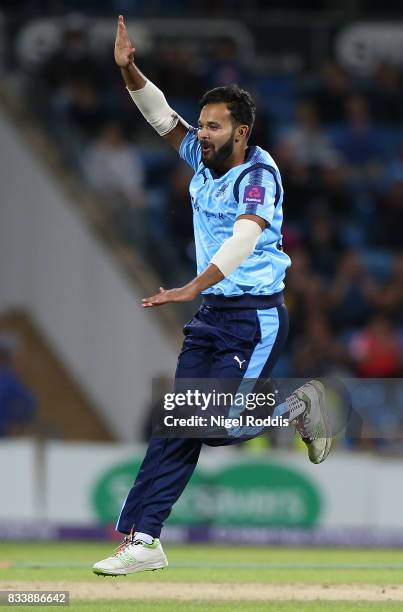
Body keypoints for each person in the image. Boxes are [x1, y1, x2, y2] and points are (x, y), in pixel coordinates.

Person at [93, 15, 332, 577]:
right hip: (212, 317)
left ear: (241, 132)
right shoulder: (201, 159)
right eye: (201, 125)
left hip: (253, 319)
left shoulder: (258, 175)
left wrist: (192, 285)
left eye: (214, 127)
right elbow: (161, 119)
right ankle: (144, 539)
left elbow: (246, 238)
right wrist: (129, 69)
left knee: (211, 426)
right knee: (176, 422)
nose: (201, 133)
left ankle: (297, 406)